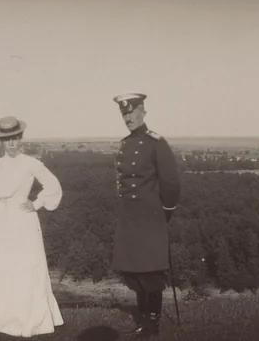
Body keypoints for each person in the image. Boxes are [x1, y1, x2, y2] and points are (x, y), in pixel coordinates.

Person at [0, 116, 65, 337]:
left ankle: (30, 320)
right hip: (2, 222)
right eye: (7, 140)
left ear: (21, 138)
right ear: (1, 142)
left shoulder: (31, 163)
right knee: (4, 267)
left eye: (15, 138)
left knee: (26, 267)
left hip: (24, 221)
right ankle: (4, 319)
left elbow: (53, 186)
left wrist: (36, 203)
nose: (12, 144)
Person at [110, 93, 181, 338]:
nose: (128, 117)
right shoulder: (125, 143)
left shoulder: (156, 143)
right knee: (135, 269)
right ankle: (142, 321)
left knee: (150, 271)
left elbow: (170, 183)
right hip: (130, 217)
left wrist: (166, 212)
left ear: (143, 112)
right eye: (124, 113)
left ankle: (153, 324)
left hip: (151, 216)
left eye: (132, 112)